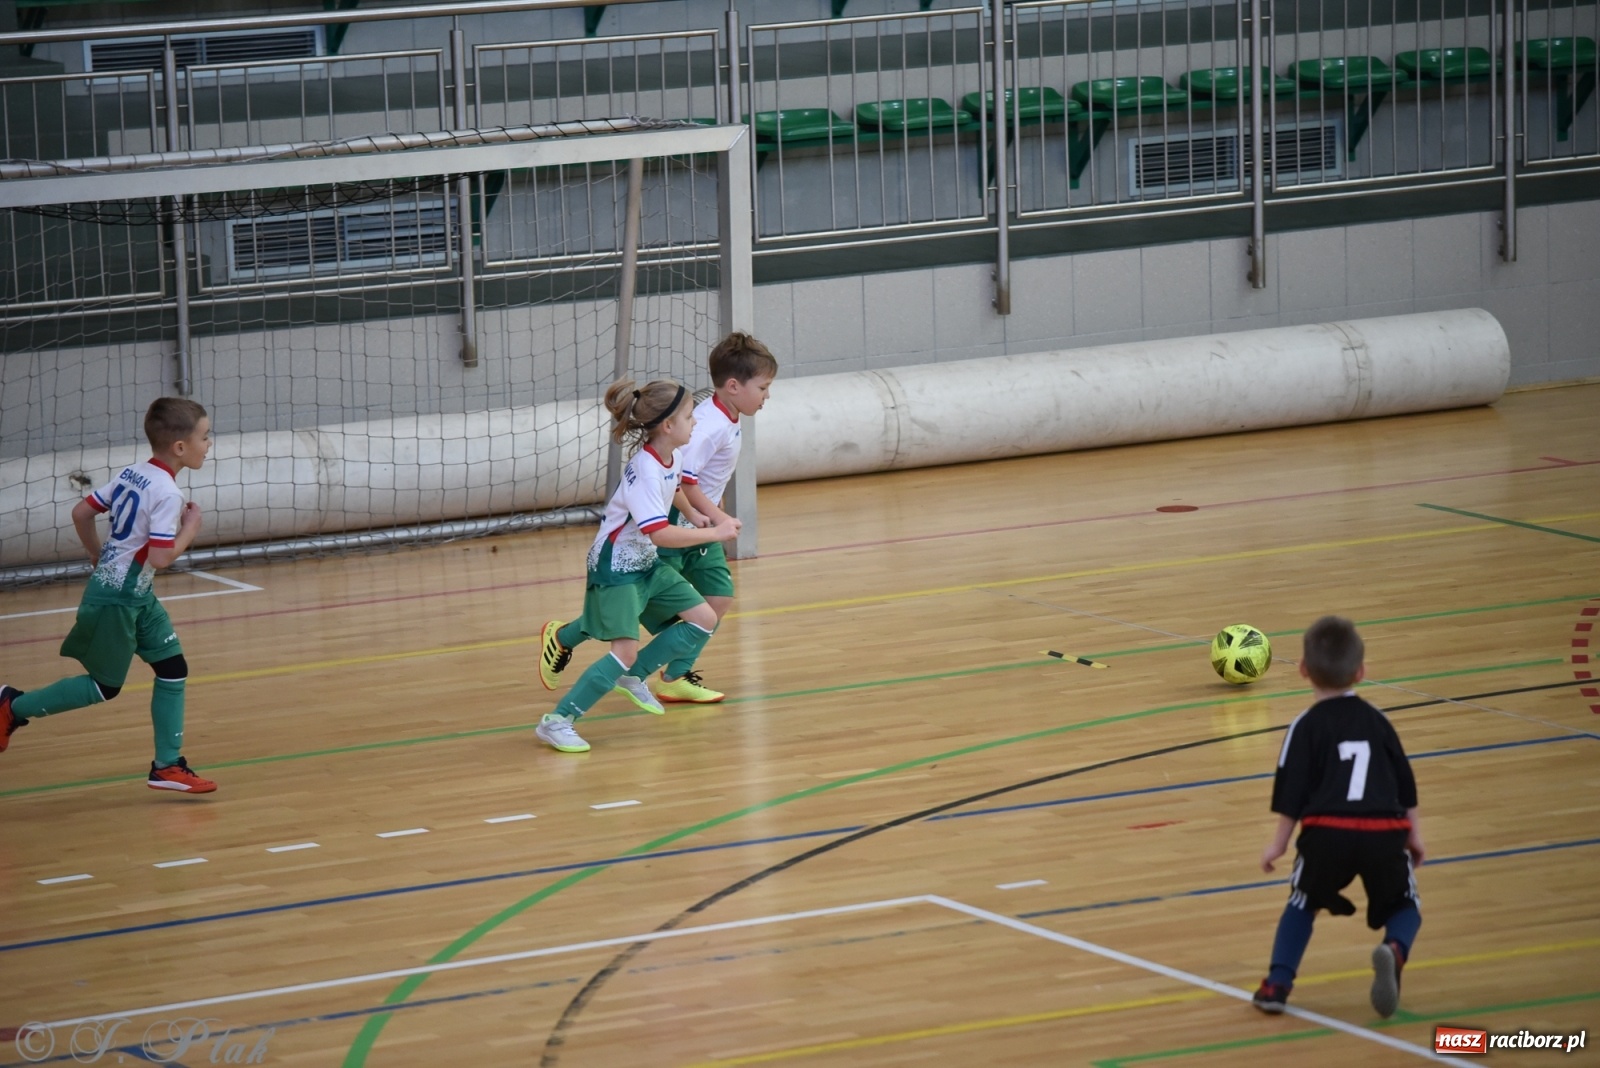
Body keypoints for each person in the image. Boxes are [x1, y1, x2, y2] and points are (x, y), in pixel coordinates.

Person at [539, 332, 777, 704]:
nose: (767, 396)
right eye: (763, 387)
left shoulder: (720, 421)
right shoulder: (703, 429)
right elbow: (685, 482)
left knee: (714, 601)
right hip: (666, 527)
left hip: (691, 522)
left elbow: (684, 479)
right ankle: (572, 649)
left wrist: (707, 520)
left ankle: (671, 675)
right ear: (733, 386)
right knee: (635, 607)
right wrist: (715, 522)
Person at [0, 397, 218, 793]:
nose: (210, 444)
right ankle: (11, 707)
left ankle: (166, 766)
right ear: (180, 447)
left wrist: (97, 552)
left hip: (137, 596)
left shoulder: (133, 472)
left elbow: (82, 513)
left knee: (173, 668)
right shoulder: (168, 493)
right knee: (104, 687)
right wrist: (192, 526)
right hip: (118, 599)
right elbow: (161, 556)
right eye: (205, 437)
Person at [534, 378, 740, 754]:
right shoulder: (644, 469)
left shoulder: (671, 456)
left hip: (643, 560)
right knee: (623, 648)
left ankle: (632, 676)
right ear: (667, 426)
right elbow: (660, 534)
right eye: (690, 416)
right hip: (616, 567)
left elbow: (675, 487)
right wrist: (714, 535)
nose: (695, 422)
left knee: (704, 618)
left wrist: (695, 516)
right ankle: (558, 721)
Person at [1252, 615, 1424, 1018]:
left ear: (1303, 670)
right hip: (1384, 831)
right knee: (1405, 906)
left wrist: (1278, 843)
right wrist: (1414, 836)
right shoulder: (1379, 722)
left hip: (1327, 832)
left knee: (1302, 901)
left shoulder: (1304, 726)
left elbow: (1291, 791)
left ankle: (1277, 984)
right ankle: (1395, 948)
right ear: (1361, 672)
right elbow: (1405, 782)